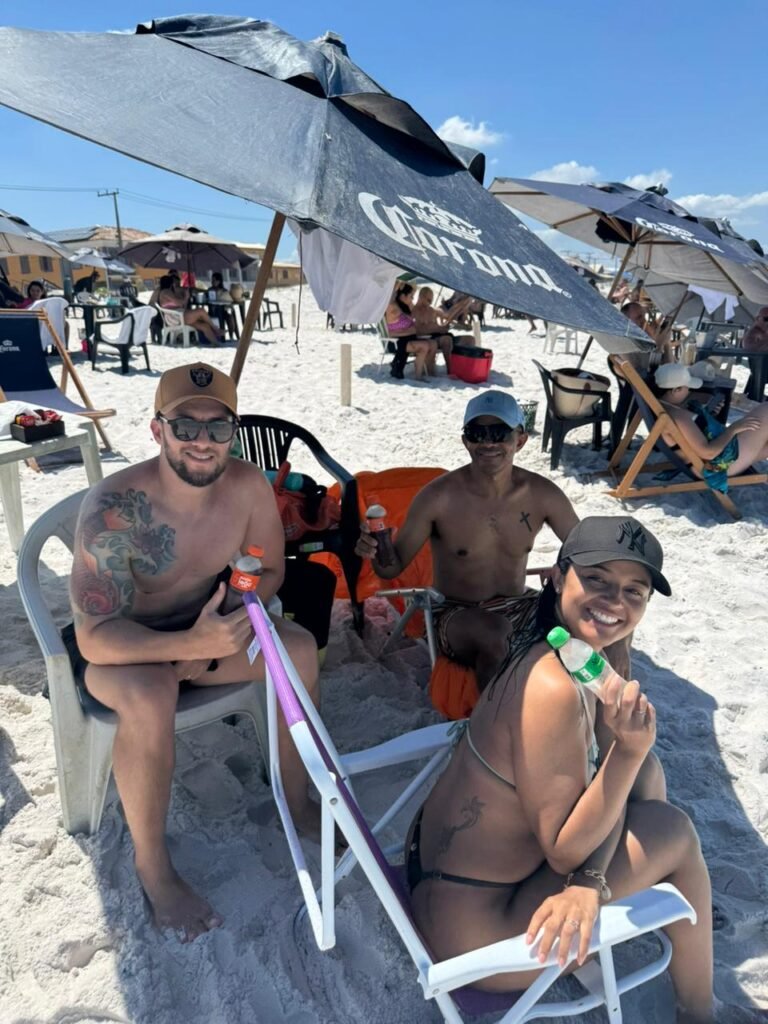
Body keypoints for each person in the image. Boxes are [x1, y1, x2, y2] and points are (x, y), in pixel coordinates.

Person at [406, 515, 715, 1022]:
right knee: (674, 832)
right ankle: (700, 1013)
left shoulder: (562, 648)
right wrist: (587, 875)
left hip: (442, 875)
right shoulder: (551, 687)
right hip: (475, 934)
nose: (614, 601)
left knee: (646, 774)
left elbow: (610, 773)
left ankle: (654, 890)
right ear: (556, 577)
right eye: (596, 580)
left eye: (633, 591)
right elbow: (564, 849)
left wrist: (590, 878)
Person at [65, 362, 321, 941]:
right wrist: (187, 646)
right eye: (185, 426)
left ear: (233, 432)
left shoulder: (249, 487)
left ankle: (298, 798)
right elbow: (94, 636)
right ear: (158, 430)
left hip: (206, 629)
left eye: (217, 426)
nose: (202, 441)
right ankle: (153, 867)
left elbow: (268, 571)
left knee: (299, 650)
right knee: (152, 692)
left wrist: (225, 623)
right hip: (124, 650)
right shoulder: (114, 507)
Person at [356, 391, 592, 689]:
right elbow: (391, 568)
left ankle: (601, 709)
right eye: (477, 433)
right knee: (495, 634)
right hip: (455, 614)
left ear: (520, 440)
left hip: (519, 604)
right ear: (466, 441)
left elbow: (589, 549)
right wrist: (376, 548)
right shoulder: (438, 497)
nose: (488, 443)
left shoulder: (542, 494)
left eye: (499, 433)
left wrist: (569, 573)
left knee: (597, 619)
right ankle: (494, 717)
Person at [653, 363, 768, 481]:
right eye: (687, 387)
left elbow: (692, 438)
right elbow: (708, 453)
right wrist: (733, 429)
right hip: (718, 466)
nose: (688, 391)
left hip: (720, 459)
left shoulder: (665, 409)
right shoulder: (678, 417)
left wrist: (709, 417)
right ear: (676, 390)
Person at [411, 286, 475, 370]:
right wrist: (437, 328)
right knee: (446, 340)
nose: (430, 303)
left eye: (431, 301)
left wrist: (460, 307)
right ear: (421, 297)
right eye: (428, 300)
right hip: (429, 339)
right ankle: (450, 369)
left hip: (440, 336)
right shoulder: (414, 311)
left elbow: (447, 316)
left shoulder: (432, 310)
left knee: (470, 339)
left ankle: (466, 366)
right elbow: (418, 330)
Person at [153, 273, 223, 346]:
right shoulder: (166, 292)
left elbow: (183, 305)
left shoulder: (168, 292)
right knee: (201, 311)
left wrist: (186, 297)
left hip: (179, 316)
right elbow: (180, 303)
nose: (175, 284)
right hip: (175, 318)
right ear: (170, 283)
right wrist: (186, 297)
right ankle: (216, 329)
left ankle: (215, 343)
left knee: (204, 325)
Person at [384, 282, 436, 381]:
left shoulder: (405, 307)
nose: (412, 299)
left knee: (432, 343)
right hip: (396, 343)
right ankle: (418, 376)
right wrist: (396, 286)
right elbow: (391, 334)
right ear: (403, 296)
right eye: (411, 297)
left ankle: (428, 372)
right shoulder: (393, 308)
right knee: (424, 346)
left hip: (407, 340)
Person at [208, 271, 238, 340]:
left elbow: (229, 302)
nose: (212, 282)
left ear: (219, 281)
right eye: (212, 280)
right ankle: (220, 337)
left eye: (214, 280)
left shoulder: (224, 291)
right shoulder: (210, 290)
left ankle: (231, 336)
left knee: (230, 317)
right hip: (213, 311)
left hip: (224, 311)